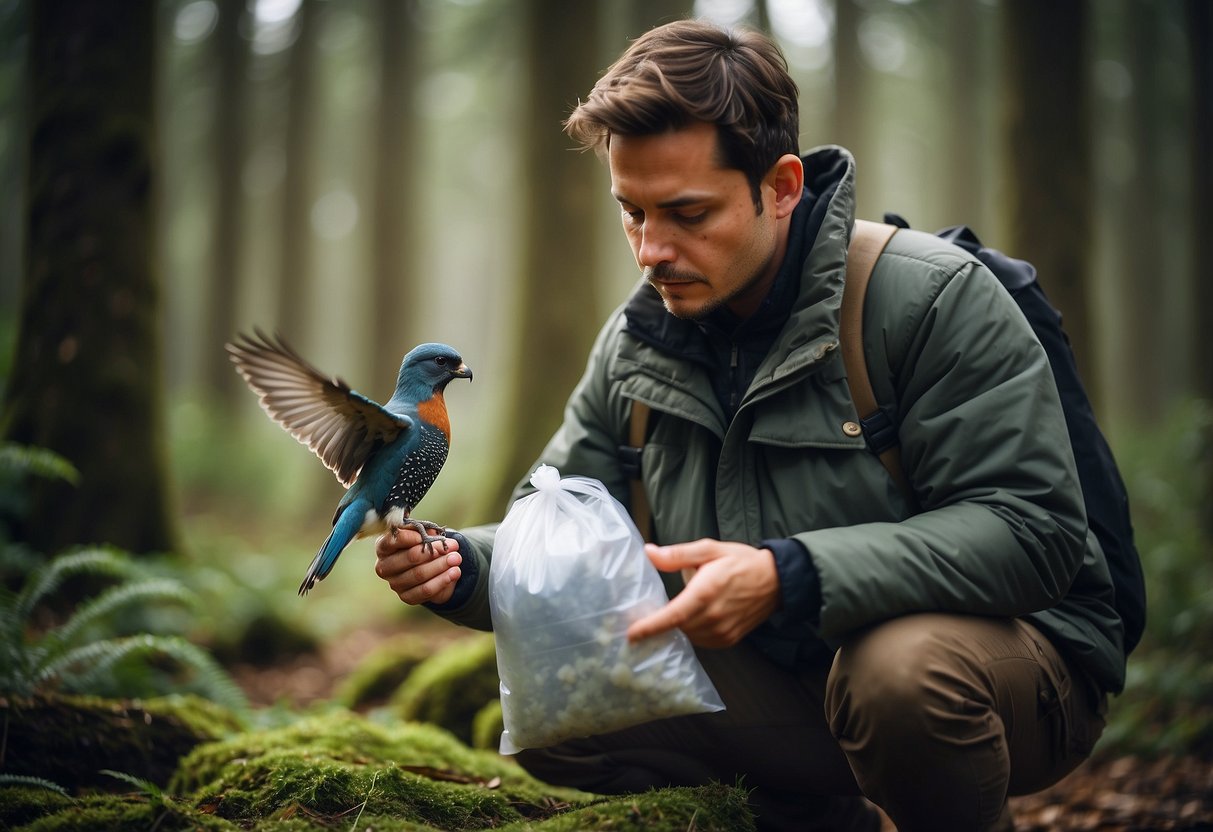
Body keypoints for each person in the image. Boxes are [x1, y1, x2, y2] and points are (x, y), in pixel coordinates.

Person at [374, 18, 1124, 832]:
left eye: (687, 213)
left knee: (896, 678)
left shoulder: (929, 301)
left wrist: (791, 573)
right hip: (792, 679)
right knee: (564, 703)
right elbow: (558, 524)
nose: (650, 250)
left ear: (781, 186)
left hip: (1007, 670)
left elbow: (1033, 531)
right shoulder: (637, 344)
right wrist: (466, 567)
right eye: (630, 212)